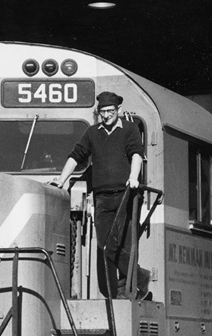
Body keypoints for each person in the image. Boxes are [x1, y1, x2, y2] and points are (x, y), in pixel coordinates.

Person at [52, 91, 151, 300]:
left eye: (110, 111)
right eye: (103, 112)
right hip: (102, 197)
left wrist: (134, 177)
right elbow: (76, 155)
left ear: (119, 111)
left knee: (124, 243)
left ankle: (126, 290)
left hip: (127, 194)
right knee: (106, 244)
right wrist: (61, 180)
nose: (106, 115)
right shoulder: (92, 133)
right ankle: (141, 278)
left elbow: (136, 155)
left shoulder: (129, 129)